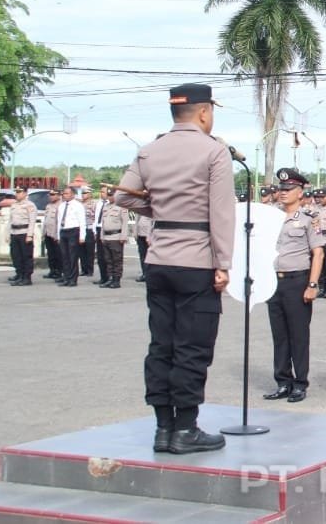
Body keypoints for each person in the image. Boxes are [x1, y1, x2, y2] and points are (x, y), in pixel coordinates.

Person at [114, 83, 235, 454]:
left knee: (161, 344)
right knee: (192, 346)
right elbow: (221, 213)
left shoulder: (149, 150)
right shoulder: (214, 152)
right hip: (196, 261)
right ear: (203, 112)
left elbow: (122, 195)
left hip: (159, 260)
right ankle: (186, 430)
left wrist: (164, 213)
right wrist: (223, 263)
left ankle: (163, 429)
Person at [264, 168, 325, 404]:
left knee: (298, 335)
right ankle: (282, 382)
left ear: (300, 192)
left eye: (288, 190)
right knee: (279, 336)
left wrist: (312, 284)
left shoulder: (309, 219)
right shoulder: (272, 218)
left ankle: (300, 383)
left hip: (297, 280)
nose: (283, 193)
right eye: (281, 189)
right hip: (273, 281)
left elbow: (318, 253)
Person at [55, 186, 86, 287]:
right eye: (64, 193)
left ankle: (73, 279)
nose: (65, 195)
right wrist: (58, 235)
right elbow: (59, 221)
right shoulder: (61, 206)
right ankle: (66, 277)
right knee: (65, 256)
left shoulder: (78, 205)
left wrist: (82, 236)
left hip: (73, 231)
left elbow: (82, 221)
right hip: (63, 231)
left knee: (73, 256)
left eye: (67, 193)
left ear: (73, 194)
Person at [97, 189, 129, 289]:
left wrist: (123, 237)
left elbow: (125, 223)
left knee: (117, 260)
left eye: (112, 195)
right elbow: (103, 223)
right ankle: (110, 278)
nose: (110, 197)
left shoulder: (121, 207)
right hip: (106, 237)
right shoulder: (106, 207)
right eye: (109, 195)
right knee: (108, 260)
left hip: (116, 236)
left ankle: (116, 280)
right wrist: (102, 236)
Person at [7, 187, 38, 286]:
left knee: (26, 256)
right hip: (14, 232)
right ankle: (19, 275)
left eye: (19, 192)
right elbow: (10, 220)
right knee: (16, 256)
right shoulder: (14, 205)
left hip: (24, 232)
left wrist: (29, 235)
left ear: (25, 193)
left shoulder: (30, 205)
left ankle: (26, 277)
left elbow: (32, 221)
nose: (17, 194)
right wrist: (8, 233)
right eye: (16, 192)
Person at [42, 189, 62, 280]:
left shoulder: (61, 205)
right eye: (50, 195)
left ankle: (59, 271)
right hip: (48, 233)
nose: (51, 196)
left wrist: (57, 234)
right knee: (50, 253)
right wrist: (43, 233)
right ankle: (52, 270)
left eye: (53, 194)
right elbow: (45, 220)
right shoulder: (48, 206)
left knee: (58, 254)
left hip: (56, 233)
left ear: (58, 195)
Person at [135, 214, 153, 282]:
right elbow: (136, 220)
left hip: (149, 236)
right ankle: (144, 274)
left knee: (150, 256)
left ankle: (150, 274)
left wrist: (150, 235)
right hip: (140, 234)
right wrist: (135, 233)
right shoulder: (141, 207)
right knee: (142, 255)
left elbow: (153, 222)